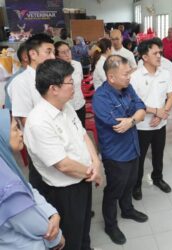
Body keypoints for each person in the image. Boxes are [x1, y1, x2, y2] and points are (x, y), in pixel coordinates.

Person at [23, 59, 102, 250]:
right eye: (69, 81)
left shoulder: (65, 107)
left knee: (84, 228)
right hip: (65, 191)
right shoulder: (39, 121)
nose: (74, 84)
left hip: (84, 177)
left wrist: (95, 164)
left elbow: (83, 134)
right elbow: (63, 165)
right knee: (71, 237)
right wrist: (92, 172)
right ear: (53, 88)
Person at [93, 55, 148, 245]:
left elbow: (142, 108)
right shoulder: (100, 97)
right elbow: (117, 124)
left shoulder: (127, 87)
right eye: (125, 74)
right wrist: (135, 117)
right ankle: (110, 224)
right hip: (116, 154)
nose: (129, 77)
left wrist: (132, 119)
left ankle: (127, 209)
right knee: (114, 189)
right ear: (111, 77)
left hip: (133, 147)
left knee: (131, 182)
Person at [0, 109, 65, 250]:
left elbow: (27, 188)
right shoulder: (6, 184)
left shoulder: (5, 165)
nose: (21, 133)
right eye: (15, 129)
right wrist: (58, 237)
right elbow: (39, 227)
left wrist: (52, 213)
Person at [7, 33, 55, 191]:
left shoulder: (51, 76)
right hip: (40, 145)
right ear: (33, 54)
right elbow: (26, 121)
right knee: (44, 188)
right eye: (48, 52)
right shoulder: (21, 82)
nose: (53, 56)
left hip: (58, 138)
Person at [130, 38, 172, 200]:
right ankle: (136, 185)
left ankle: (158, 178)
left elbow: (171, 95)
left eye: (160, 53)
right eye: (155, 53)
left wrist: (163, 112)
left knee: (158, 154)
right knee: (139, 158)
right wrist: (156, 111)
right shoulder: (135, 76)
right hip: (142, 126)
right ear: (144, 57)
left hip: (160, 125)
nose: (159, 56)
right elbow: (134, 103)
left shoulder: (165, 73)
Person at [55, 41, 86, 127]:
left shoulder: (77, 65)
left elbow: (80, 80)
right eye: (63, 52)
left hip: (79, 104)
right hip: (64, 107)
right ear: (57, 55)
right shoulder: (55, 70)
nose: (67, 54)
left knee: (81, 130)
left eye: (68, 51)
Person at [4, 43, 29, 110]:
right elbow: (12, 113)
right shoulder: (15, 81)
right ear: (25, 57)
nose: (52, 57)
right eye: (48, 52)